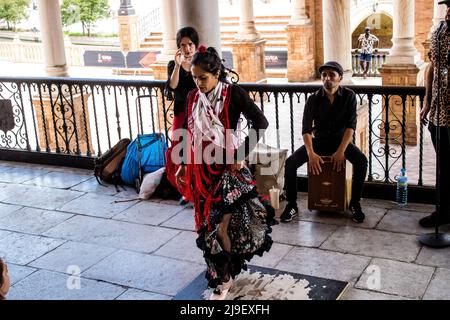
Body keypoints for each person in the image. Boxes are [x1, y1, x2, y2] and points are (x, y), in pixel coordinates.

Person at [174, 45, 274, 300]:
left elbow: (261, 122)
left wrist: (241, 154)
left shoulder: (233, 94)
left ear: (217, 73)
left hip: (226, 173)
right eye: (195, 78)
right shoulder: (193, 96)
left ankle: (225, 281)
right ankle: (220, 270)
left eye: (203, 78)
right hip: (200, 169)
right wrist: (183, 163)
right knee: (206, 227)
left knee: (219, 227)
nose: (198, 83)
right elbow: (187, 128)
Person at [280, 61, 368, 224]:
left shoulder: (349, 96)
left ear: (340, 78)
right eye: (324, 75)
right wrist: (311, 154)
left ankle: (355, 203)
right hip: (319, 141)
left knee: (362, 161)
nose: (327, 78)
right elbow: (306, 129)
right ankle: (291, 205)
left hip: (340, 142)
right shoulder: (313, 99)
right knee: (291, 163)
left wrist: (341, 151)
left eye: (332, 75)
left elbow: (351, 126)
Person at [419, 1, 450, 227]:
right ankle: (443, 211)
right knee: (444, 166)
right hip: (439, 114)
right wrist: (428, 103)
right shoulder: (440, 31)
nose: (449, 12)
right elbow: (433, 66)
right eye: (448, 7)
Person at [165, 27, 199, 206]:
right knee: (180, 151)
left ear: (196, 45)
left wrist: (193, 64)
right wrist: (178, 65)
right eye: (183, 45)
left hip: (198, 114)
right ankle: (186, 192)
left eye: (190, 44)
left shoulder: (200, 62)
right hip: (181, 113)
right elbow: (172, 86)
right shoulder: (173, 64)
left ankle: (197, 190)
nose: (187, 48)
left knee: (196, 152)